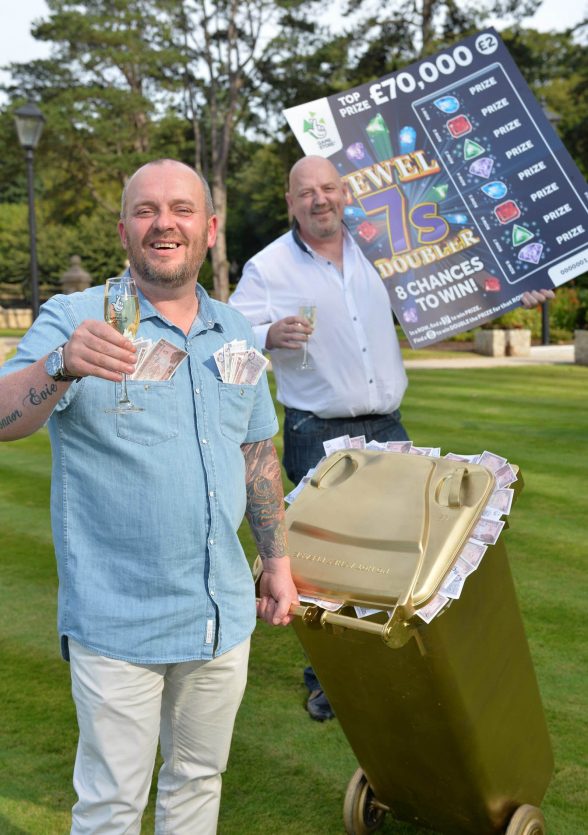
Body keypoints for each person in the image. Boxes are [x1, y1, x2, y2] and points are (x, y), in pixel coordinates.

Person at [0, 158, 298, 834]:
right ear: (125, 229)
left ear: (210, 228)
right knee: (110, 806)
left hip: (220, 614)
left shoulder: (238, 333)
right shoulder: (76, 316)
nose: (165, 221)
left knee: (198, 783)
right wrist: (59, 363)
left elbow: (255, 449)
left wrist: (276, 562)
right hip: (117, 618)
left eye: (182, 209)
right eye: (146, 210)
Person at [228, 154, 555, 722]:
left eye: (329, 187)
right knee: (326, 563)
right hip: (317, 430)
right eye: (306, 192)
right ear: (290, 201)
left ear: (344, 192)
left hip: (388, 426)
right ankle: (327, 679)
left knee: (398, 555)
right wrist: (266, 332)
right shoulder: (268, 267)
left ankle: (385, 663)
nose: (319, 199)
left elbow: (452, 291)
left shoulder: (386, 253)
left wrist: (512, 293)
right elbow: (230, 341)